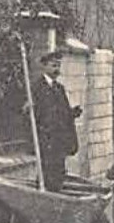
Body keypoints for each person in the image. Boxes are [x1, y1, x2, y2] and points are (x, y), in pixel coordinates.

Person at [28, 49, 81, 193]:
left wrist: (73, 113)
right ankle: (45, 198)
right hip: (46, 139)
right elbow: (31, 114)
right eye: (53, 65)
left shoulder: (59, 89)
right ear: (44, 66)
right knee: (47, 171)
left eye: (58, 66)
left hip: (59, 139)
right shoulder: (36, 88)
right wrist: (27, 109)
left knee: (59, 171)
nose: (57, 69)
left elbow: (63, 114)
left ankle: (56, 196)